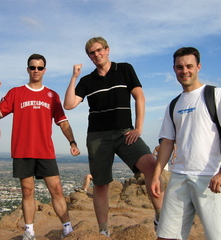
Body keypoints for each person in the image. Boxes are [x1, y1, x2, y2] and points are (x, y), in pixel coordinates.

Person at [64, 36, 164, 236]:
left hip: (125, 133)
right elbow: (68, 104)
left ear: (107, 50)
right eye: (92, 53)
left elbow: (139, 97)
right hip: (97, 136)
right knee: (101, 184)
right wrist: (74, 77)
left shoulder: (125, 69)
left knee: (152, 167)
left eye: (99, 50)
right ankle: (103, 231)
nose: (96, 55)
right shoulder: (87, 80)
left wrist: (138, 127)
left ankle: (161, 219)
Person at [0, 54, 80, 240]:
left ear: (44, 70)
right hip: (22, 150)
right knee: (27, 191)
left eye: (40, 68)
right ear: (28, 69)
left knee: (56, 190)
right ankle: (29, 232)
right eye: (33, 67)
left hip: (45, 150)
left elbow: (63, 122)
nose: (36, 71)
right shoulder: (16, 93)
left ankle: (67, 228)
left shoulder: (52, 95)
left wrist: (72, 142)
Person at [151, 47, 221, 240]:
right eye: (179, 67)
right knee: (166, 236)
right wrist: (156, 175)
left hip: (210, 177)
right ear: (174, 69)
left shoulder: (216, 94)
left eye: (189, 66)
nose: (184, 71)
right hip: (179, 177)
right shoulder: (174, 104)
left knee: (218, 237)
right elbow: (167, 142)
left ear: (198, 67)